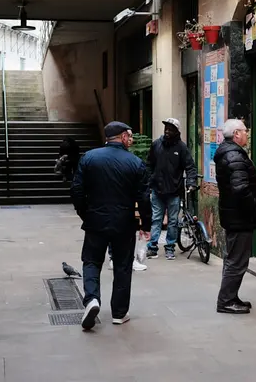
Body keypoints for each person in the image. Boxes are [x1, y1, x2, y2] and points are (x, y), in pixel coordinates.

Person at [71, 122, 152, 329]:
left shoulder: (89, 158)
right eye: (130, 136)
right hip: (124, 222)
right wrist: (145, 224)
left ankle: (92, 299)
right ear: (123, 137)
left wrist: (85, 214)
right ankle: (119, 312)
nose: (131, 140)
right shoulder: (135, 163)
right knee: (123, 266)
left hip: (95, 220)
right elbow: (144, 198)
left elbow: (77, 190)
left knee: (91, 261)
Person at [213, 119, 256, 314]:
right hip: (240, 216)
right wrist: (255, 207)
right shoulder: (234, 155)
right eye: (245, 131)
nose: (247, 134)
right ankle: (225, 301)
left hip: (234, 215)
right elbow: (241, 188)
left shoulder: (229, 152)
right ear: (236, 134)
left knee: (233, 258)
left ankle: (230, 297)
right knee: (237, 261)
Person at [145, 118, 198, 260]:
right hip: (158, 189)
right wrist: (149, 182)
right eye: (166, 128)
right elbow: (149, 165)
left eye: (170, 129)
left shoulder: (181, 147)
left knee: (173, 221)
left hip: (174, 191)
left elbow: (190, 167)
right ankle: (152, 247)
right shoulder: (156, 145)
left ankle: (170, 248)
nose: (167, 131)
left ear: (177, 131)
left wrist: (191, 182)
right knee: (156, 219)